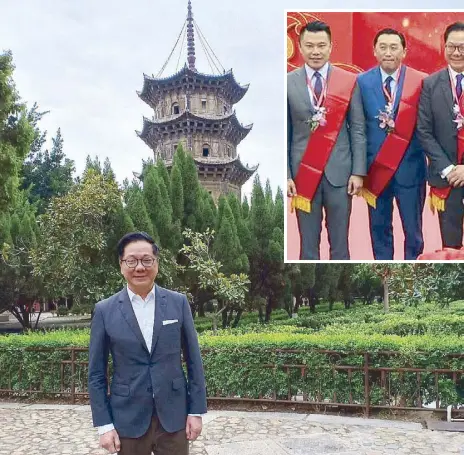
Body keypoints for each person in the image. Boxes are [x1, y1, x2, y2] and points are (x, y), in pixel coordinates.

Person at [88, 231, 207, 455]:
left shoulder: (177, 303)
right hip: (127, 419)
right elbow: (96, 374)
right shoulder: (105, 310)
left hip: (174, 418)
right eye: (131, 261)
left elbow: (194, 361)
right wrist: (104, 426)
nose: (139, 267)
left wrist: (196, 411)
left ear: (157, 263)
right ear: (121, 265)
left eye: (146, 260)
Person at [287, 20, 366, 260]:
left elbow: (358, 129)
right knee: (307, 247)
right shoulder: (287, 82)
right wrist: (286, 174)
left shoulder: (348, 81)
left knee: (340, 245)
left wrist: (358, 172)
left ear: (331, 46)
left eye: (321, 45)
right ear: (300, 47)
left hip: (340, 175)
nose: (316, 51)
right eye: (309, 45)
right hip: (303, 175)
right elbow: (286, 132)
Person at [357, 28, 427, 259]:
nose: (388, 53)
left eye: (394, 47)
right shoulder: (361, 83)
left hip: (411, 171)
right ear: (375, 51)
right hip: (375, 171)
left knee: (414, 234)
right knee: (379, 232)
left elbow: (427, 127)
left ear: (404, 51)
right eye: (383, 47)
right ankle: (385, 276)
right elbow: (357, 128)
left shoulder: (420, 81)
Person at [417, 22, 464, 249]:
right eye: (452, 47)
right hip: (447, 179)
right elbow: (424, 132)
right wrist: (449, 169)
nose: (457, 53)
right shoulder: (430, 84)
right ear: (444, 48)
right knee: (451, 247)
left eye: (462, 47)